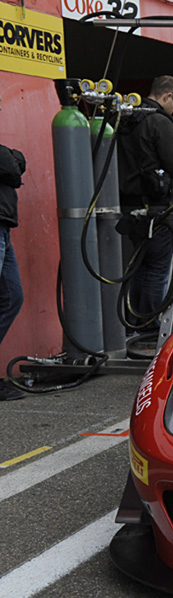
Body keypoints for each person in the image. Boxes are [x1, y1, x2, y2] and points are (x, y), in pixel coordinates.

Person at [117, 75, 173, 333]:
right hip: (159, 205)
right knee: (158, 267)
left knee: (139, 264)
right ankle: (150, 327)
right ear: (167, 96)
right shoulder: (161, 122)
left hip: (130, 205)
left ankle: (132, 322)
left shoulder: (125, 119)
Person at [0, 95, 26, 401]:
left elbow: (15, 162)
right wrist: (11, 158)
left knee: (11, 296)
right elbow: (11, 164)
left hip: (4, 226)